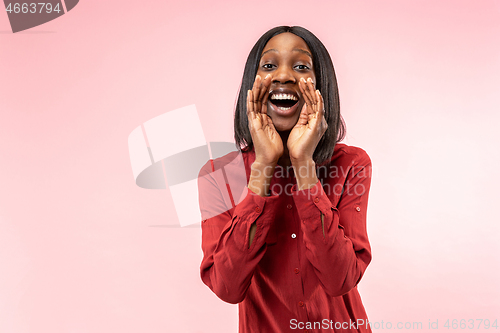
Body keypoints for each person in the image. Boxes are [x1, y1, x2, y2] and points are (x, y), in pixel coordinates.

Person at [198, 26, 373, 333]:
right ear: (251, 85)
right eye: (268, 65)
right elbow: (227, 287)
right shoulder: (217, 175)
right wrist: (263, 167)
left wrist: (304, 165)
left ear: (322, 87)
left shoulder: (351, 164)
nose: (283, 76)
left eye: (301, 66)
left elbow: (340, 279)